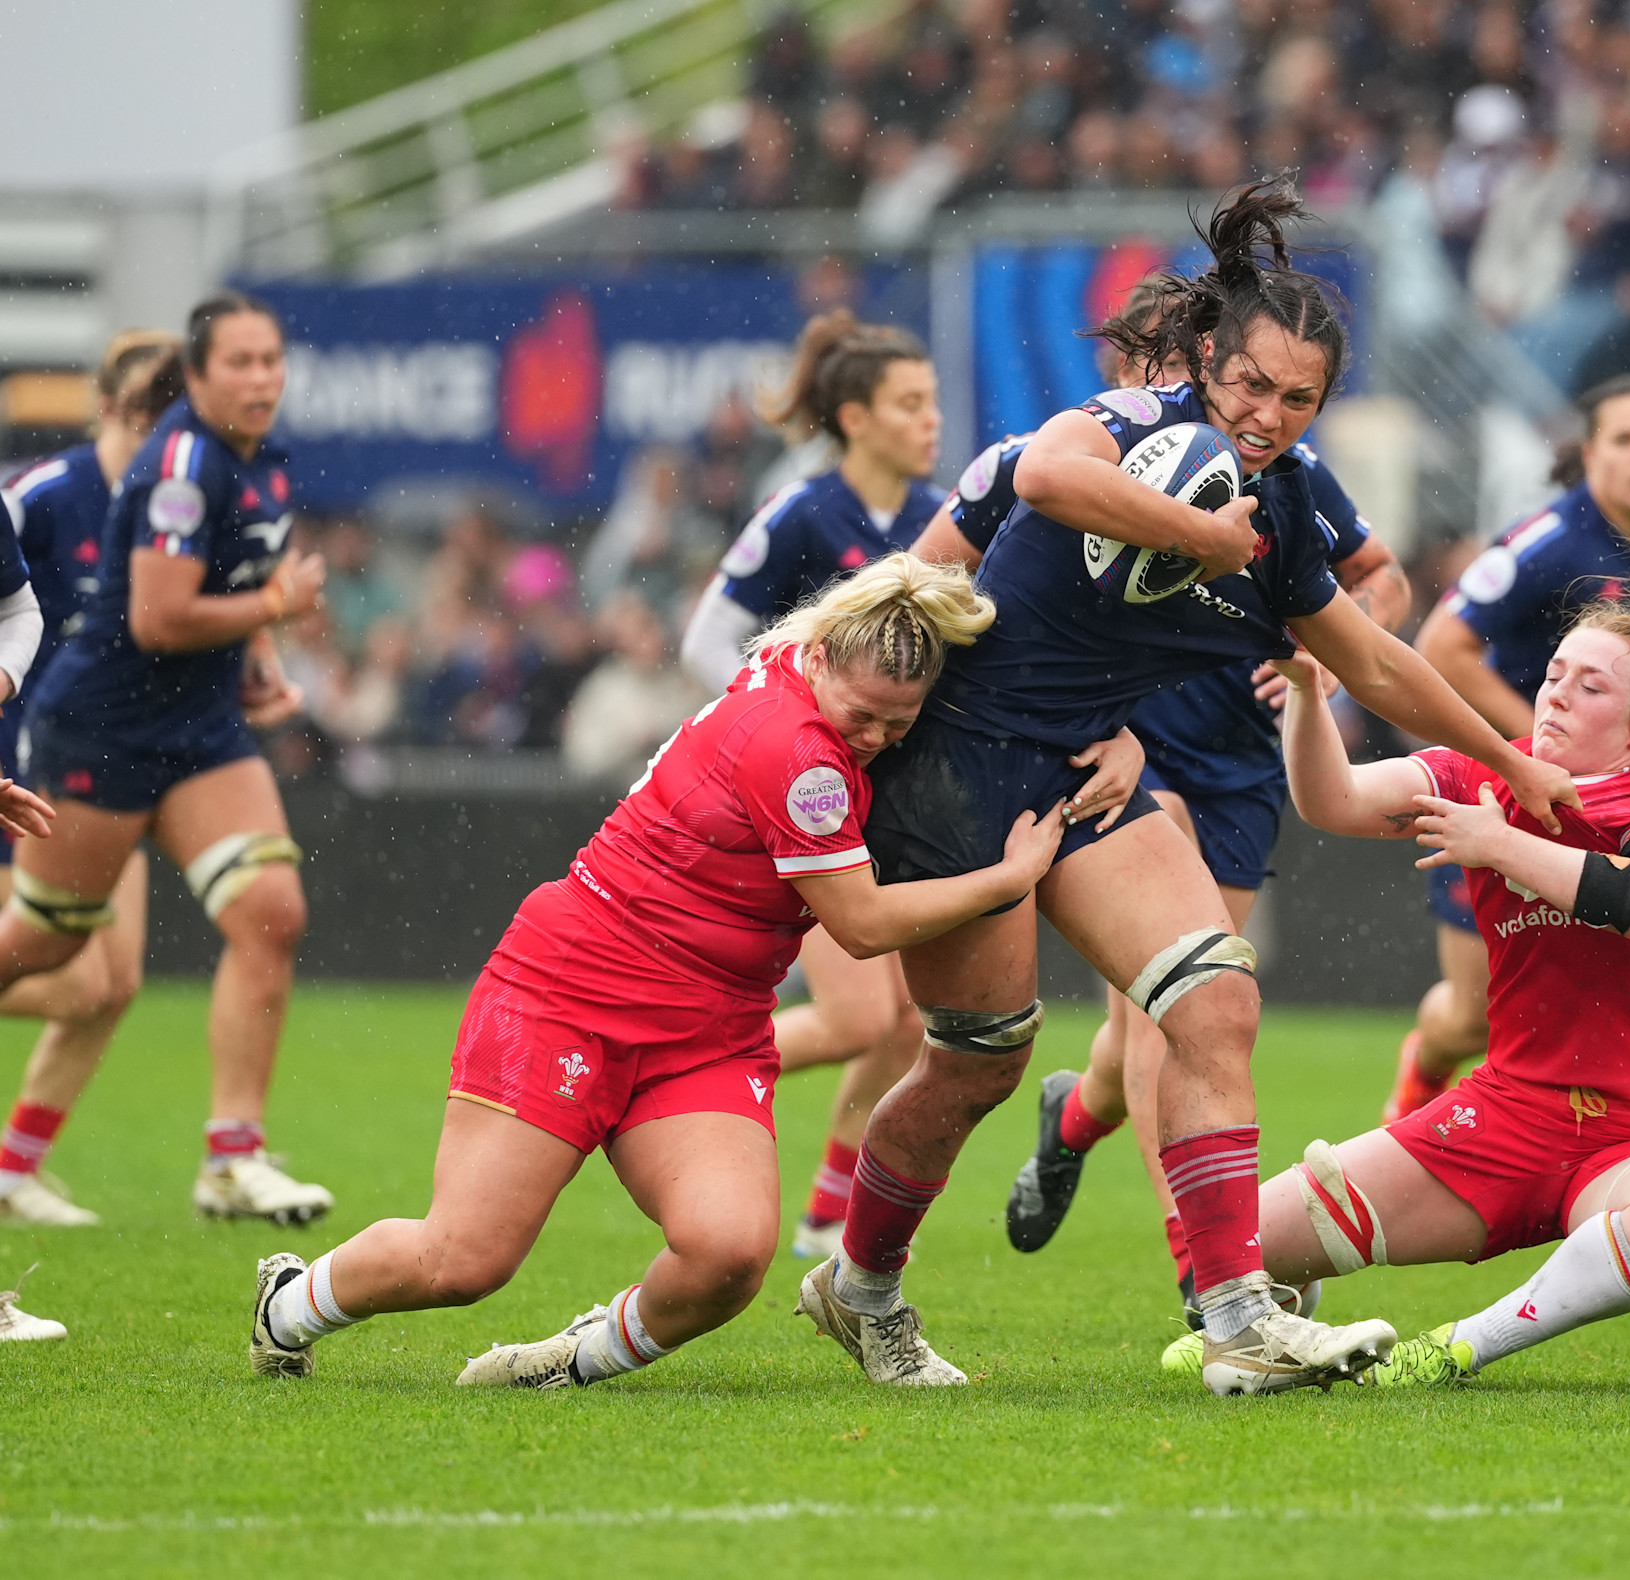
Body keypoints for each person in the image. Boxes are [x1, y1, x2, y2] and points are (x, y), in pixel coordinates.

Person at [803, 181, 1578, 1396]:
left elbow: (1374, 653)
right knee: (980, 1059)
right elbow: (1049, 482)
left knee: (1215, 999)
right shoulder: (1125, 418)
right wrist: (1201, 537)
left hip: (1097, 775)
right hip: (960, 777)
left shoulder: (1283, 502)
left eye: (1298, 398)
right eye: (1250, 385)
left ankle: (1236, 1322)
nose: (1267, 415)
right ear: (1207, 362)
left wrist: (1517, 761)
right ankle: (860, 1288)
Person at [245, 556, 1063, 1388]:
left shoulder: (803, 662)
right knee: (462, 1261)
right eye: (864, 717)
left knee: (730, 1256)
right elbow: (856, 927)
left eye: (899, 724)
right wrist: (1007, 879)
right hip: (569, 991)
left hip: (707, 1028)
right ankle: (289, 1302)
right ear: (818, 659)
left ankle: (572, 1363)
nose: (878, 739)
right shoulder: (798, 750)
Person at [916, 281, 1412, 1324]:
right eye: (1135, 371)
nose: (1153, 392)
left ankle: (1075, 1117)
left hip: (1235, 761)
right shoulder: (1050, 462)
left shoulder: (1288, 477)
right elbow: (927, 588)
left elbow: (1379, 581)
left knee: (1171, 1021)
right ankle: (1204, 1270)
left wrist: (1312, 665)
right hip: (1119, 759)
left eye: (1166, 370)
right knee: (1180, 1004)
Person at [1159, 549, 1630, 1387]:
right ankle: (1276, 1331)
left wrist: (1498, 843)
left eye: (1590, 687)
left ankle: (1456, 1348)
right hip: (1504, 1117)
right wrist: (1307, 694)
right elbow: (1328, 803)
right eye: (1556, 673)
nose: (1555, 693)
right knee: (1222, 1245)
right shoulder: (1482, 773)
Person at [680, 312, 1138, 1264]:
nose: (932, 420)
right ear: (854, 417)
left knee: (900, 1027)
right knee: (863, 1019)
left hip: (897, 800)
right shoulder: (802, 510)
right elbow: (704, 640)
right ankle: (682, 1075)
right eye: (910, 403)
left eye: (934, 401)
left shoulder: (947, 511)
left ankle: (826, 1212)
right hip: (806, 798)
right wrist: (795, 729)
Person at [4, 292, 332, 1225]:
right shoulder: (181, 465)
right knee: (56, 948)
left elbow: (234, 582)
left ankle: (232, 1157)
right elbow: (157, 617)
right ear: (196, 376)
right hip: (99, 732)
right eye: (241, 362)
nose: (262, 378)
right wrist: (273, 611)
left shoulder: (261, 460)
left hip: (199, 733)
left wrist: (260, 662)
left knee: (271, 911)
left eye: (272, 359)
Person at [1390, 377, 1630, 1124]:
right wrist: (1531, 747)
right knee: (1472, 1021)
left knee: (1595, 984)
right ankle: (1423, 1071)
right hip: (1509, 797)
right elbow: (1442, 646)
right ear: (1589, 452)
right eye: (1624, 439)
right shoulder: (1545, 542)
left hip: (1619, 804)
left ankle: (1593, 1139)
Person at [0, 333, 179, 1228]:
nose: (161, 428)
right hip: (28, 767)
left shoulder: (173, 504)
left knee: (113, 986)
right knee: (70, 979)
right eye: (149, 408)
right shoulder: (44, 496)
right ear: (110, 408)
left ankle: (14, 1168)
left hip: (117, 769)